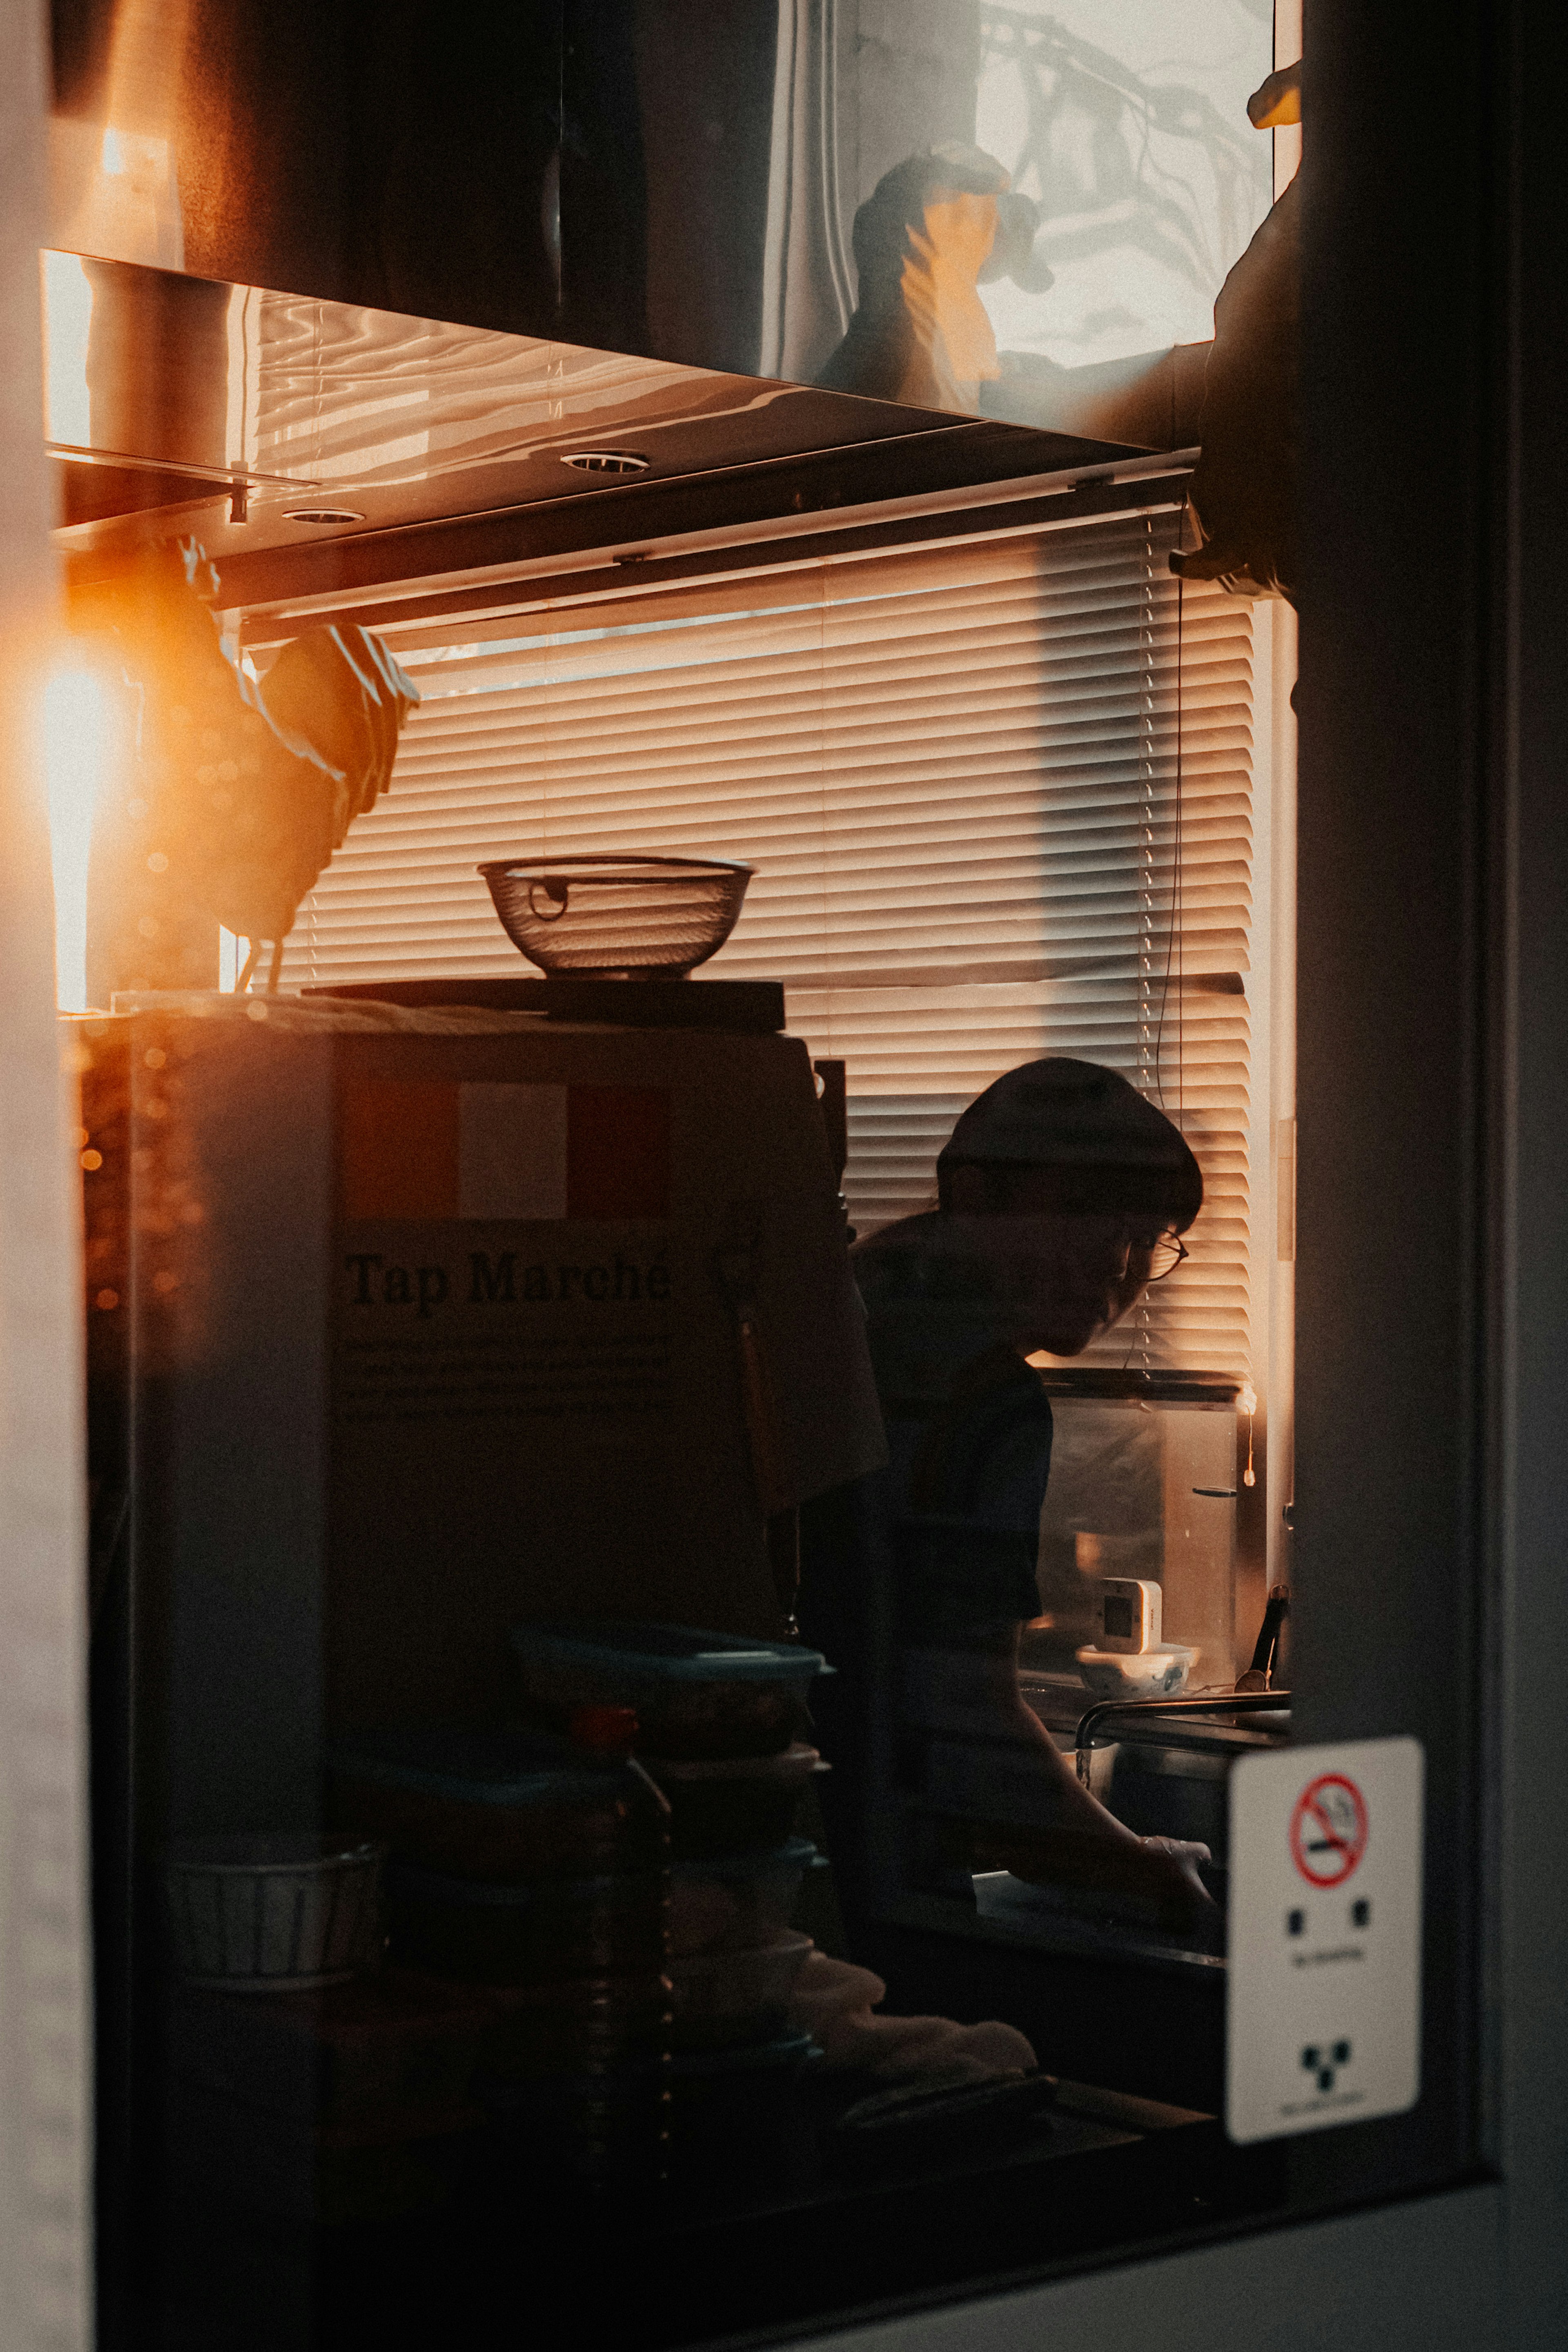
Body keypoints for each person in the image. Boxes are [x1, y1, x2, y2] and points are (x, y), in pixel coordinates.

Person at [800, 1056, 1214, 1939]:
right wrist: (1143, 1869)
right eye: (1087, 1212)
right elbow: (969, 1743)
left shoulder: (844, 1306)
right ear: (973, 1194)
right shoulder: (984, 1398)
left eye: (1150, 1232)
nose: (1123, 1258)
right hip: (875, 1884)